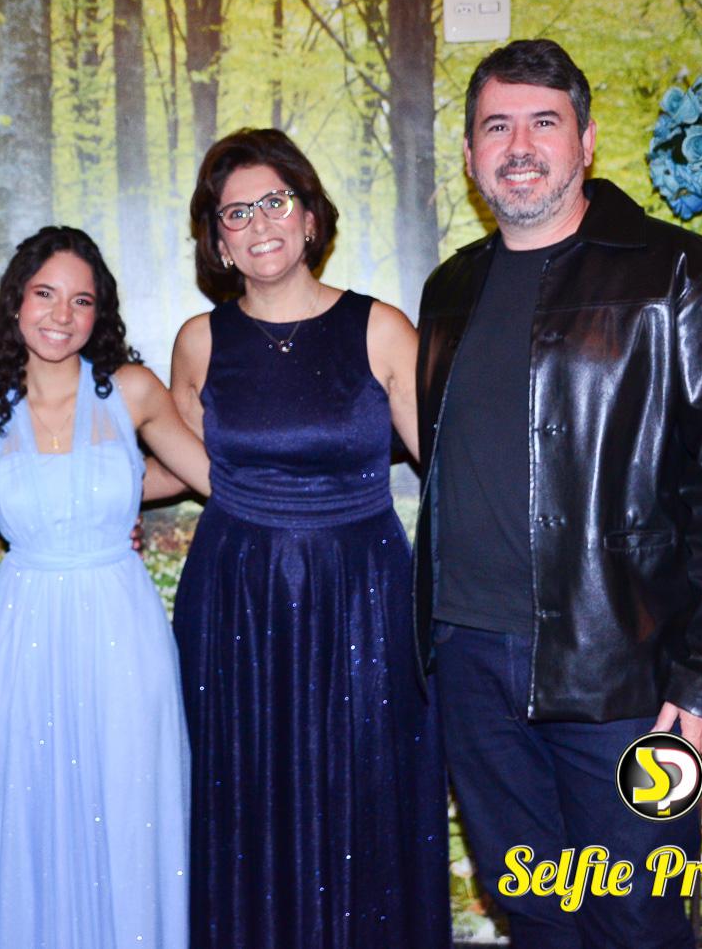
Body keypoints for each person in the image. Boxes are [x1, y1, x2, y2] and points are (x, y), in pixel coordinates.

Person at [416, 38, 702, 947]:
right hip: (471, 667)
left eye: (543, 122)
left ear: (585, 142)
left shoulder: (677, 274)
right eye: (496, 126)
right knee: (535, 914)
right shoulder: (449, 291)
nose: (519, 146)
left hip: (628, 675)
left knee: (636, 920)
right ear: (468, 154)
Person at [169, 129, 451, 949]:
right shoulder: (199, 341)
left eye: (275, 202)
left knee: (365, 791)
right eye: (235, 213)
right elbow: (164, 455)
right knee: (243, 794)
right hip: (235, 602)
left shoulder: (381, 328)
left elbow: (450, 471)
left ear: (311, 216)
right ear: (218, 241)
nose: (259, 223)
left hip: (362, 597)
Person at [0, 227, 209, 949]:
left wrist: (108, 495)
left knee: (127, 799)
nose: (61, 314)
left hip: (122, 628)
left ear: (99, 313)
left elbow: (210, 476)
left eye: (81, 301)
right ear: (15, 303)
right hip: (22, 631)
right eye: (45, 294)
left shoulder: (134, 392)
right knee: (26, 804)